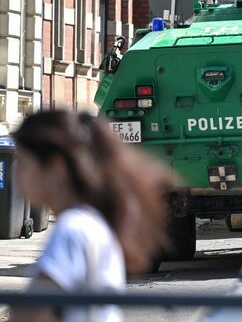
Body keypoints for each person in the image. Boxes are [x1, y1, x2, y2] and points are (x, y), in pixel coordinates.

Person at [10, 111, 174, 322]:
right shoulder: (90, 223)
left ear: (56, 168)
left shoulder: (73, 229)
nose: (15, 173)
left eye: (22, 162)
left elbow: (31, 316)